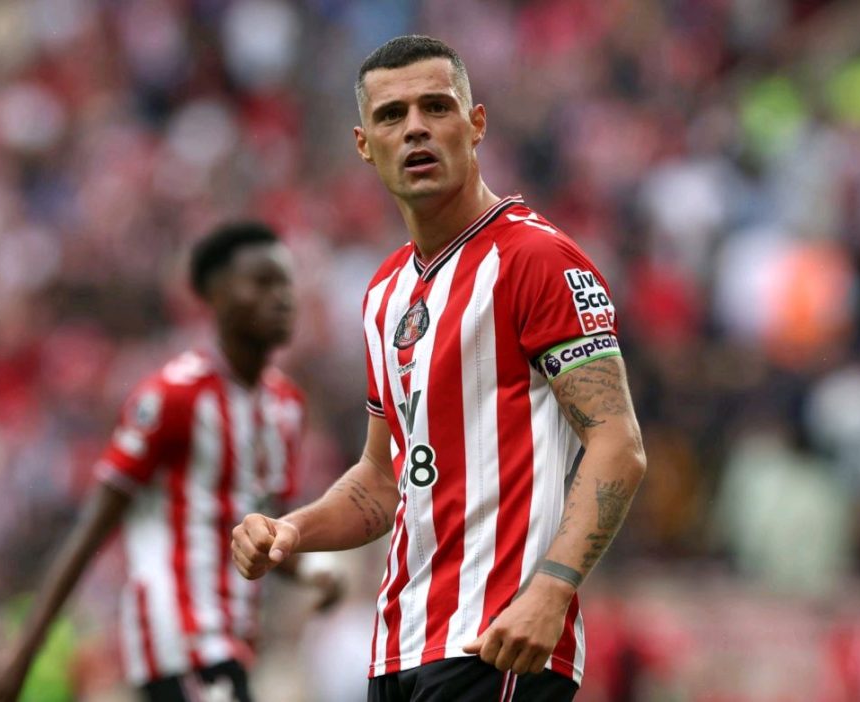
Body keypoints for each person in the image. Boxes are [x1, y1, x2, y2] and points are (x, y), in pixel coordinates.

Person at [231, 35, 646, 701]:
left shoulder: (536, 260)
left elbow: (617, 443)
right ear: (365, 144)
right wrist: (293, 530)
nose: (415, 128)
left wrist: (552, 589)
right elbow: (382, 479)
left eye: (436, 107)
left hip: (495, 638)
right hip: (398, 647)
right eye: (392, 115)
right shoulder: (385, 293)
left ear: (475, 124)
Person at [0, 222, 344, 702]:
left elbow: (262, 531)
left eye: (285, 284)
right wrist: (24, 653)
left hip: (233, 635)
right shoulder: (173, 397)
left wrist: (315, 571)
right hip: (179, 636)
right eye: (262, 283)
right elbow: (94, 527)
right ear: (215, 298)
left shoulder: (285, 407)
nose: (282, 299)